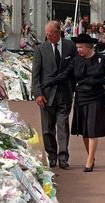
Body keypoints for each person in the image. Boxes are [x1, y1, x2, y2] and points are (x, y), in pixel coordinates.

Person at [41, 34, 105, 172]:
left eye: (80, 47)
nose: (78, 50)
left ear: (88, 47)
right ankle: (91, 156)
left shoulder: (101, 59)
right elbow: (65, 75)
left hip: (96, 97)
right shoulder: (76, 60)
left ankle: (89, 160)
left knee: (93, 130)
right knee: (85, 130)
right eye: (77, 47)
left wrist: (96, 80)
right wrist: (50, 82)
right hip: (81, 97)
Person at [32, 20, 77, 169]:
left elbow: (74, 69)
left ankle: (63, 157)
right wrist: (38, 94)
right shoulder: (40, 49)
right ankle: (51, 155)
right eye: (47, 34)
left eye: (50, 34)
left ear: (58, 33)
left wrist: (74, 88)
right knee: (47, 128)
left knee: (63, 125)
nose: (48, 36)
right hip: (46, 94)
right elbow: (36, 75)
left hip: (64, 93)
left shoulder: (70, 46)